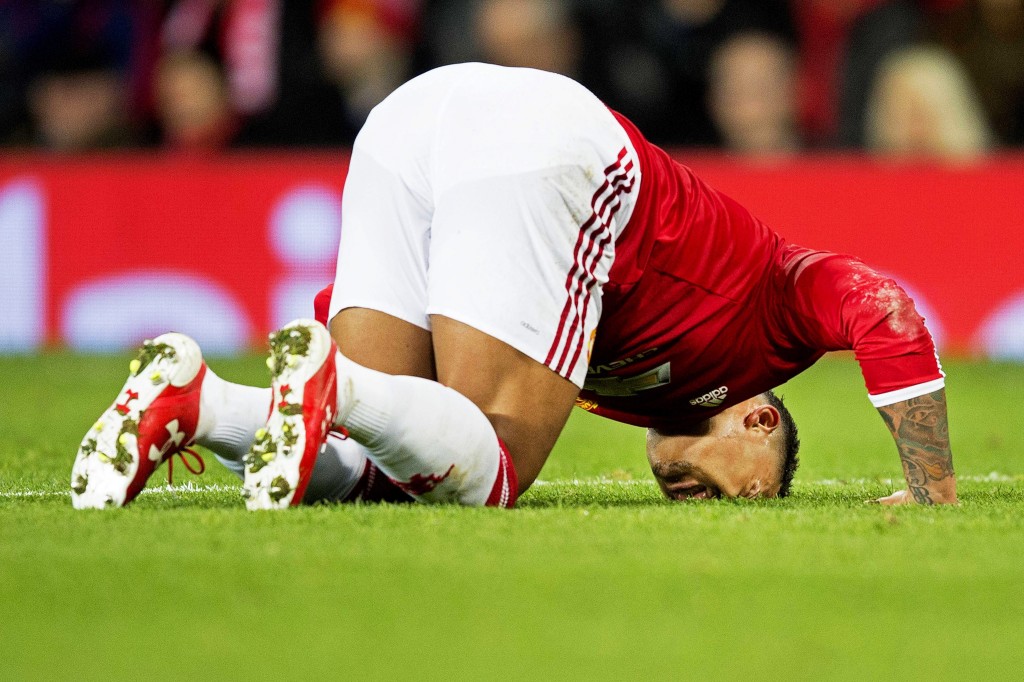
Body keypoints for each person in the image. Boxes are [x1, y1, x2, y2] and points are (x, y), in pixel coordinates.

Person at [70, 63, 956, 511]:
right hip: (559, 139)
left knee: (388, 466)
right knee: (491, 470)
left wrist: (341, 347)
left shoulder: (621, 389)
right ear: (760, 420)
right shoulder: (773, 313)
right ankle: (338, 387)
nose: (723, 503)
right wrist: (931, 490)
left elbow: (405, 311)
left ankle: (196, 403)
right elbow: (883, 309)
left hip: (410, 119)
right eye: (752, 492)